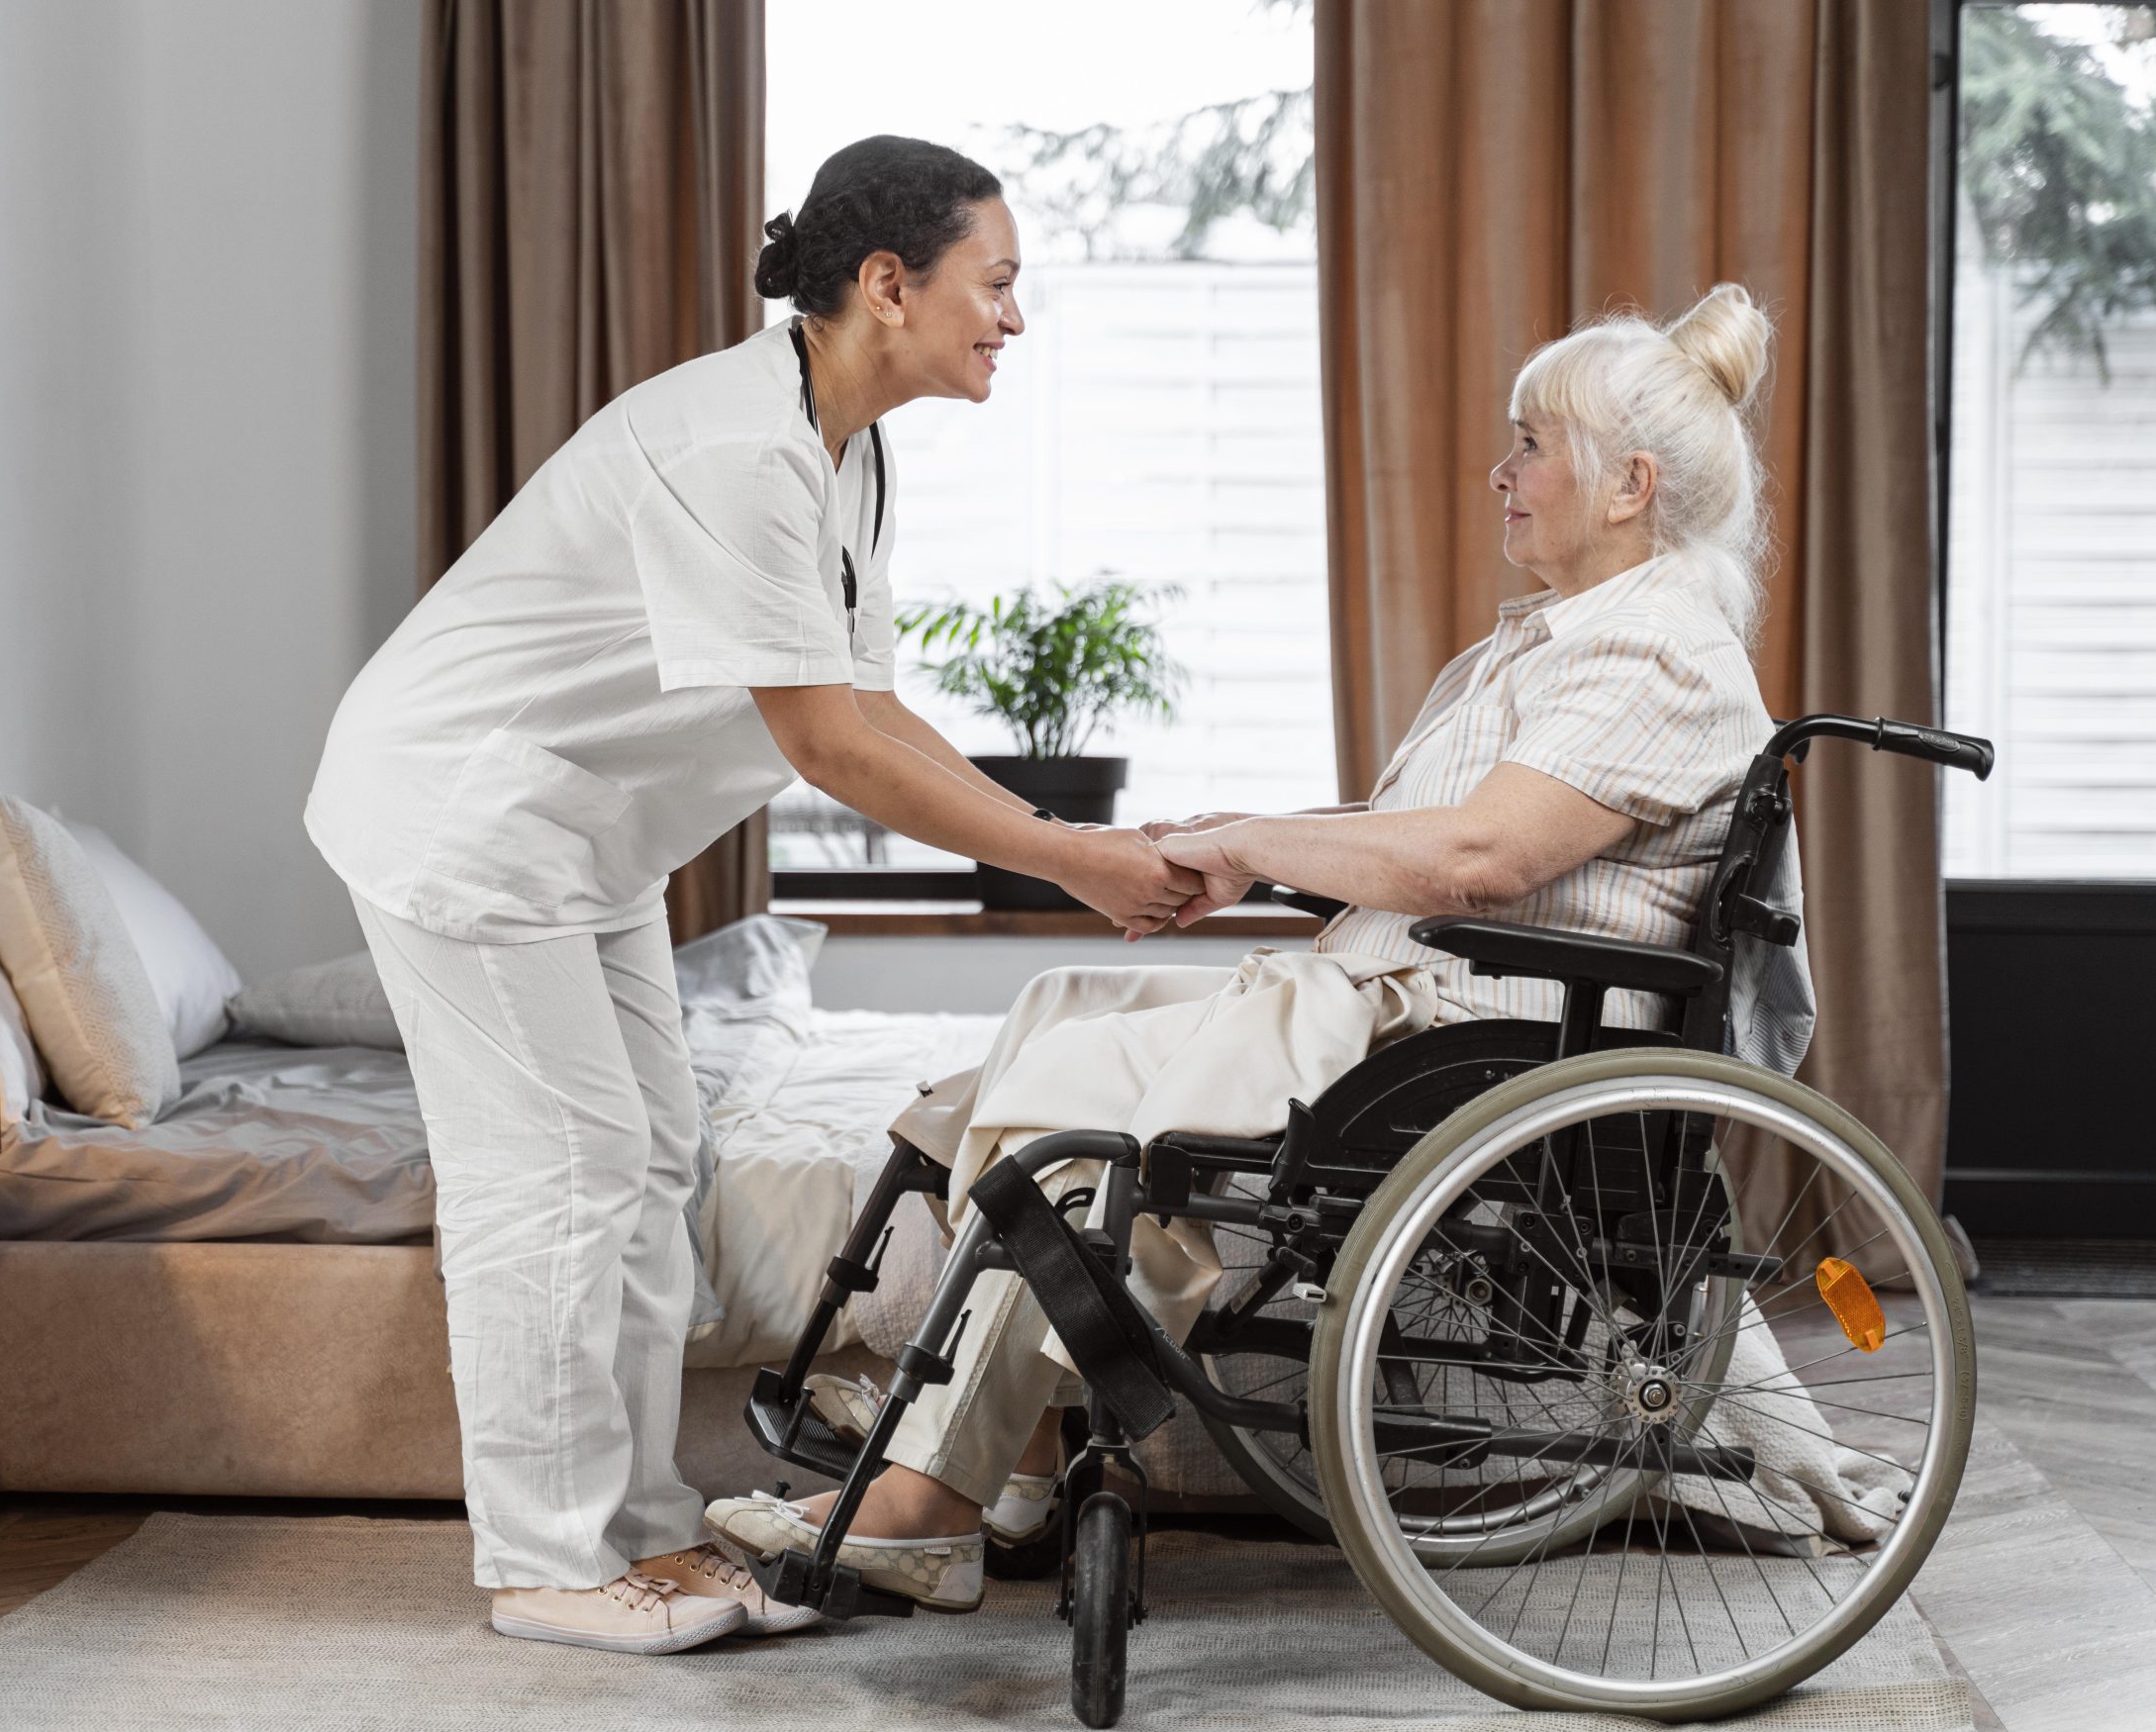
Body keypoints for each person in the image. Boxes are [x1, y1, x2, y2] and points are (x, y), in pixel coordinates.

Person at [705, 282, 1794, 1611]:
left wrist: (1259, 845)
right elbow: (1423, 832)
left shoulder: (1656, 654)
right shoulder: (1571, 642)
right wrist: (1236, 835)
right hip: (1416, 998)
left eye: (1530, 445)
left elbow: (1477, 859)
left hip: (1458, 1034)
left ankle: (938, 1492)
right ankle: (1014, 1445)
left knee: (1075, 1115)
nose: (1500, 472)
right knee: (1055, 1011)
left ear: (1628, 487)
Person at [304, 136, 1205, 1656]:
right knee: (562, 1163)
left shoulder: (846, 444)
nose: (1014, 319)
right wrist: (1079, 860)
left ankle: (636, 1522)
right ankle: (541, 1561)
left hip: (583, 836)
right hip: (468, 814)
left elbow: (874, 701)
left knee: (655, 1151)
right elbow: (829, 746)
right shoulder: (740, 447)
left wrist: (1063, 835)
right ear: (885, 284)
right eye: (997, 286)